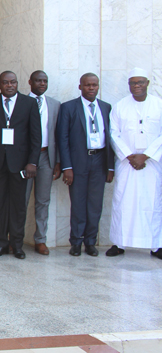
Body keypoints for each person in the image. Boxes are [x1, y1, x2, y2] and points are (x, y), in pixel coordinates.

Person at [0, 71, 42, 259]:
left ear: (18, 84)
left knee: (18, 206)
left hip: (21, 164)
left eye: (13, 82)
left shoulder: (29, 103)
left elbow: (36, 136)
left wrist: (32, 162)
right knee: (0, 204)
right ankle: (1, 243)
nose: (10, 86)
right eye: (6, 83)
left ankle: (17, 245)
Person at [57, 73, 114, 257]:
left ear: (98, 86)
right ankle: (76, 242)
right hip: (78, 161)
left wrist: (110, 167)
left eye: (94, 85)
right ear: (80, 86)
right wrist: (67, 167)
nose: (91, 88)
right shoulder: (69, 107)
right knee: (78, 203)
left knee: (95, 204)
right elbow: (62, 139)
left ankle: (91, 242)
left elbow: (111, 139)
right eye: (88, 85)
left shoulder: (106, 107)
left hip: (99, 161)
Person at [108, 68, 162, 259]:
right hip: (127, 162)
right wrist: (130, 156)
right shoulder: (120, 106)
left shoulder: (159, 104)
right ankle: (119, 243)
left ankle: (156, 245)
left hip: (152, 163)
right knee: (123, 202)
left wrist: (145, 155)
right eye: (133, 83)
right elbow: (113, 133)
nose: (136, 86)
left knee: (152, 203)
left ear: (147, 83)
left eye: (140, 82)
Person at [24, 70, 61, 256]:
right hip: (25, 159)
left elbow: (60, 135)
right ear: (30, 82)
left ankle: (40, 240)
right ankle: (16, 238)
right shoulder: (21, 102)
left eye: (45, 81)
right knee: (21, 200)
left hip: (46, 156)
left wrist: (58, 162)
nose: (42, 84)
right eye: (38, 81)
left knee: (43, 201)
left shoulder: (55, 105)